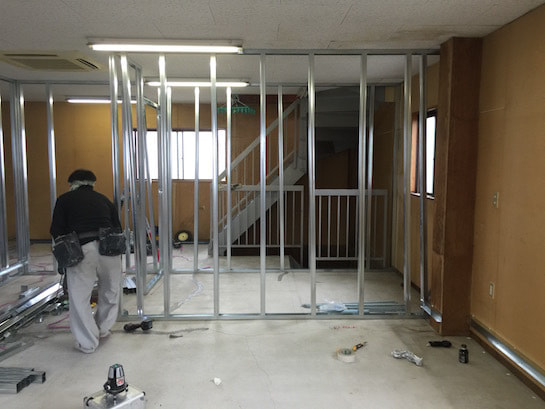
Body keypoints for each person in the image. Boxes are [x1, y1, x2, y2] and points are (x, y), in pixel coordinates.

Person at [50, 169, 122, 353]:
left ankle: (88, 342)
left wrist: (64, 256)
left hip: (82, 249)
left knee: (79, 297)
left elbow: (56, 230)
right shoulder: (104, 199)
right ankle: (103, 329)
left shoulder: (64, 199)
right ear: (92, 183)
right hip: (109, 248)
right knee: (110, 291)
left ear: (72, 184)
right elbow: (117, 226)